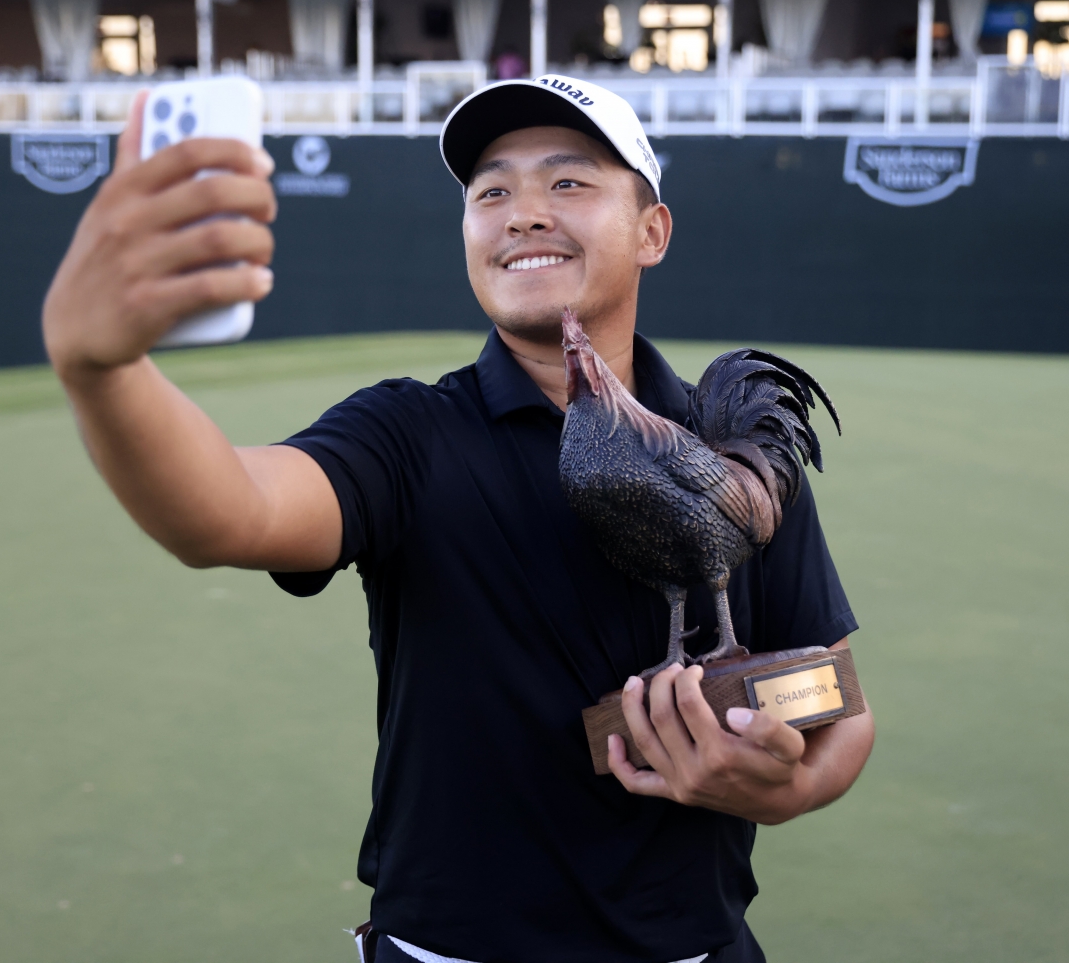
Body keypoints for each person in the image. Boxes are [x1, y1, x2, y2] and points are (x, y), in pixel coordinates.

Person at [42, 76, 874, 963]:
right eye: (491, 192)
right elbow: (228, 511)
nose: (522, 214)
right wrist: (102, 368)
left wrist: (782, 788)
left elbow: (838, 703)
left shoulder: (733, 449)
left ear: (651, 231)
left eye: (568, 183)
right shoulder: (408, 433)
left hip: (692, 948)